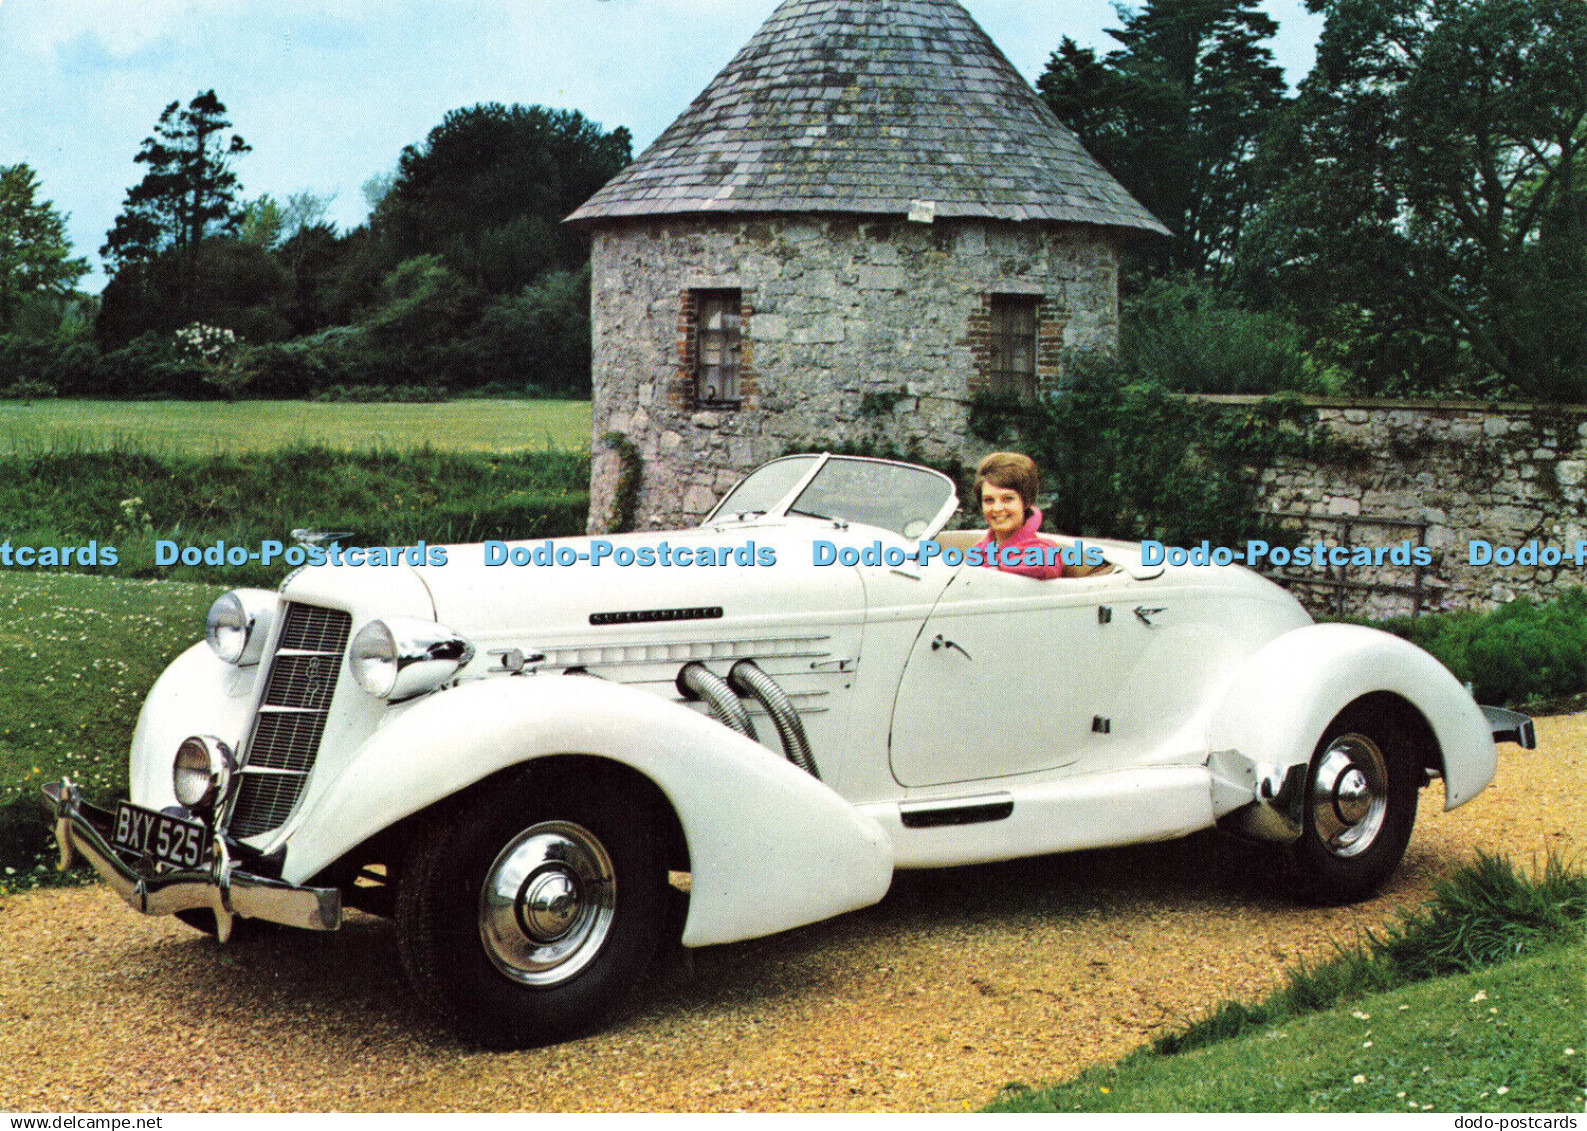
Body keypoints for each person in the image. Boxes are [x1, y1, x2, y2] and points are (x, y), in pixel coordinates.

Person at [972, 451, 1063, 579]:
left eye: (1008, 498)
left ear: (1025, 502)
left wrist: (993, 566)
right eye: (989, 500)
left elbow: (1043, 566)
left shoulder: (1043, 550)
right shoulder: (980, 548)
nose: (997, 508)